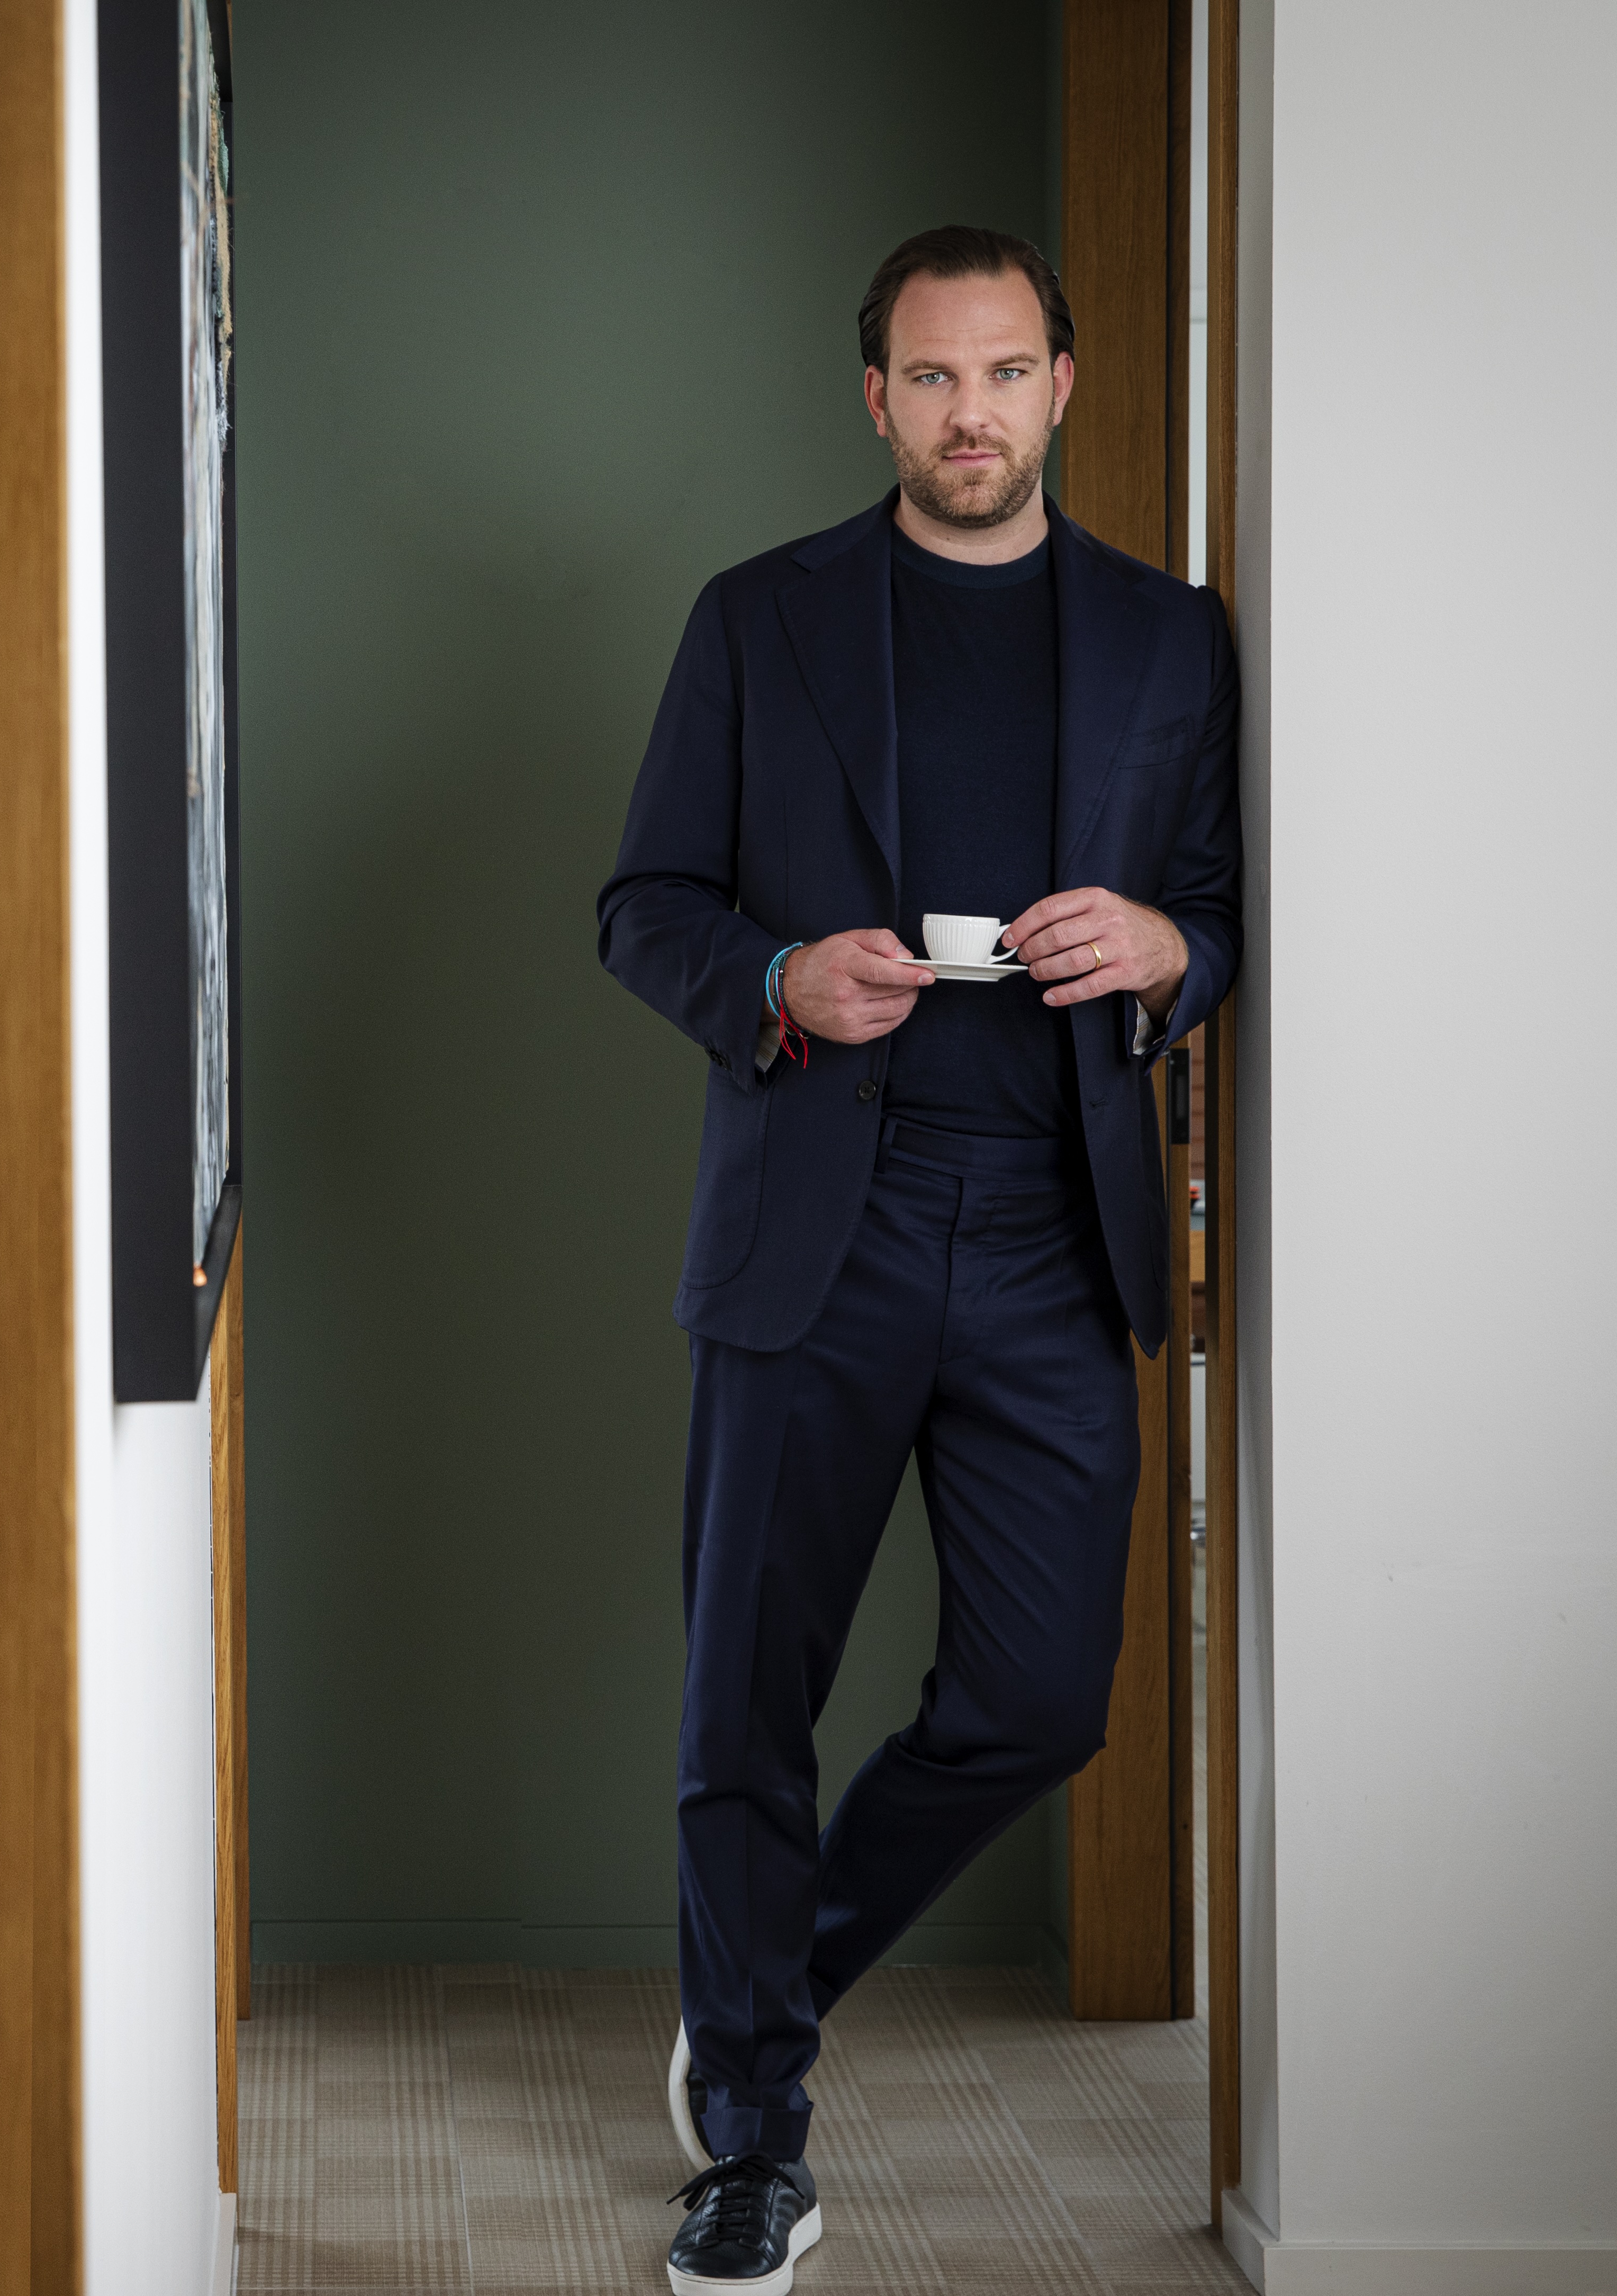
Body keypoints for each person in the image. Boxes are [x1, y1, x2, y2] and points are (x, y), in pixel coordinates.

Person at [596, 224, 1243, 2295]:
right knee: (744, 1703)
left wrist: (1164, 945)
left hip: (1054, 1228)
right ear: (874, 398)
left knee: (1040, 1697)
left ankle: (755, 1988)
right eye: (932, 377)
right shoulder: (756, 618)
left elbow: (1220, 909)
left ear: (1065, 383)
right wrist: (775, 974)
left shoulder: (1174, 639)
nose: (973, 413)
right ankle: (753, 2145)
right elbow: (642, 904)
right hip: (820, 1222)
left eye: (1006, 371)